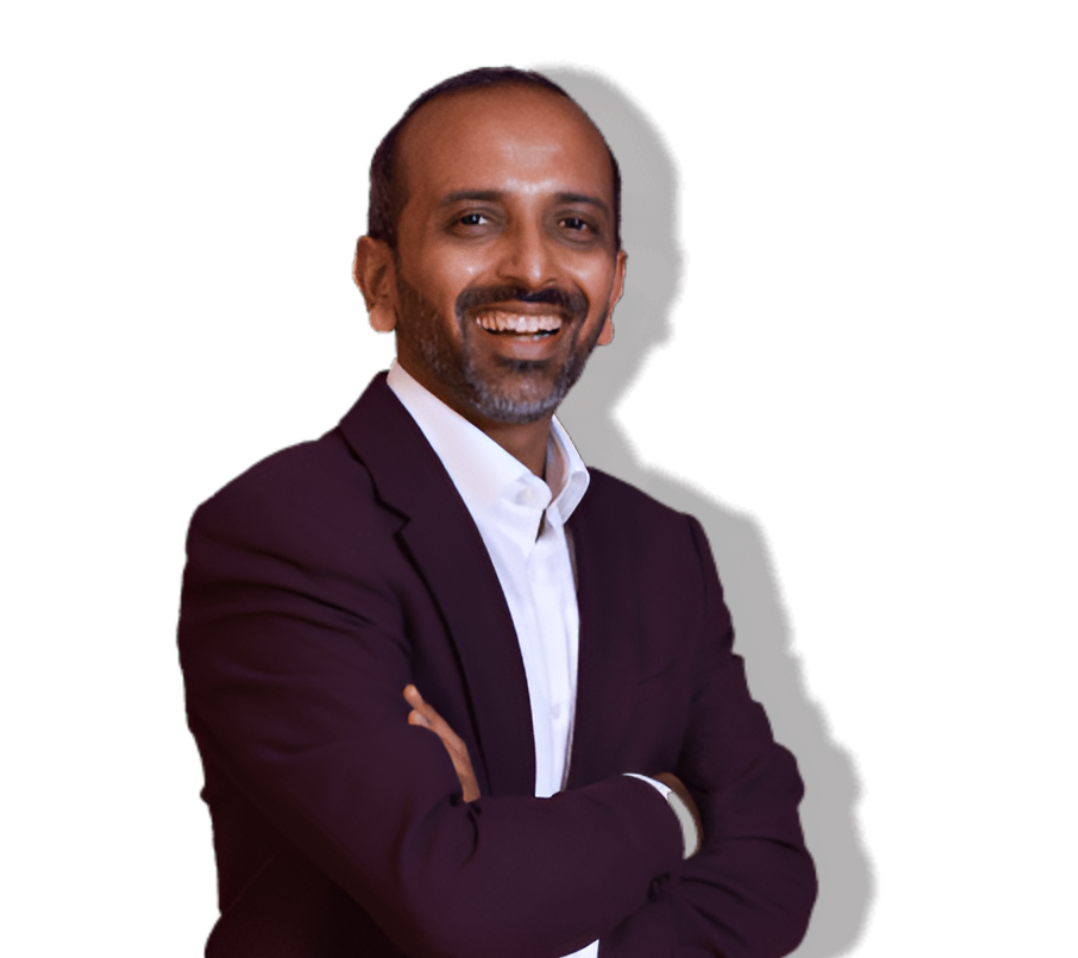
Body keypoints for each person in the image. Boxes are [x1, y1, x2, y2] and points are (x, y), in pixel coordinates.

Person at [177, 66, 817, 958]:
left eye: (575, 225)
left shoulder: (666, 548)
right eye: (474, 220)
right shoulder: (281, 531)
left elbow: (775, 882)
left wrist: (511, 867)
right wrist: (669, 809)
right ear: (378, 279)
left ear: (613, 290)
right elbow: (454, 904)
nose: (532, 268)